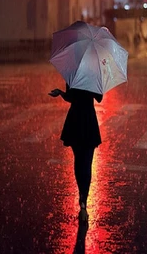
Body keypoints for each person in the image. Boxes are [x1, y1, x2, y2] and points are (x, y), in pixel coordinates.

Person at [49, 84, 103, 222]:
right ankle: (84, 198)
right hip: (88, 120)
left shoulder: (73, 73)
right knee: (87, 163)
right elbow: (99, 98)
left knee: (79, 161)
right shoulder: (93, 74)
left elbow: (70, 97)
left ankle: (82, 198)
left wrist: (60, 92)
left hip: (75, 120)